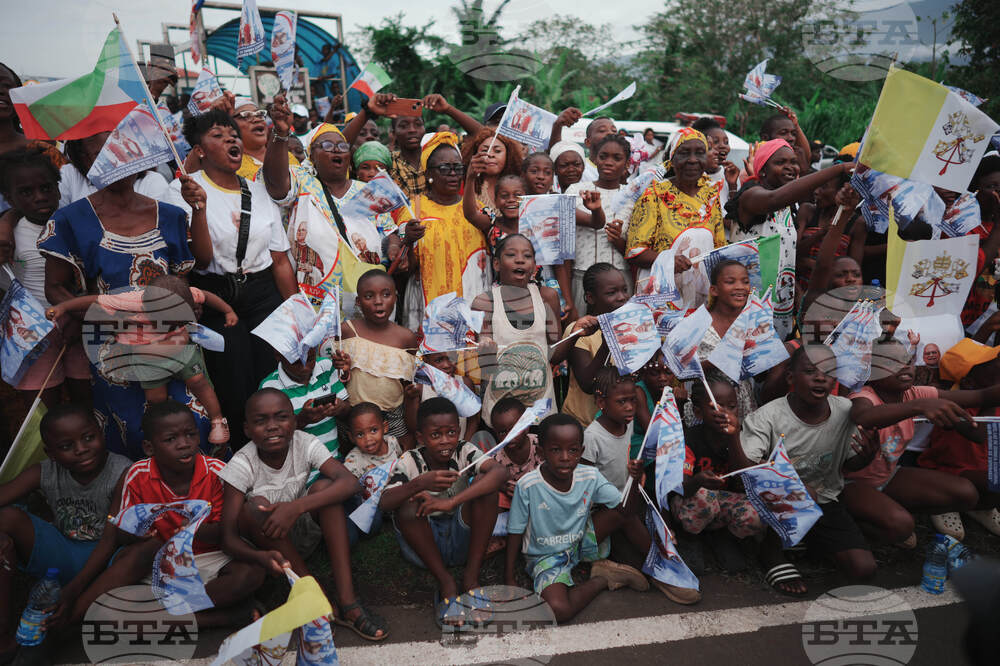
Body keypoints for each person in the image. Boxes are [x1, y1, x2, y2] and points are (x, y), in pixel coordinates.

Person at [40, 139, 214, 458]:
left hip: (173, 341)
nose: (114, 160)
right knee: (135, 430)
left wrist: (199, 209)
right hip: (114, 349)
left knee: (193, 425)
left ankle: (203, 502)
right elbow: (56, 287)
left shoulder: (170, 214)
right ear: (84, 164)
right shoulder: (70, 221)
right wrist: (110, 320)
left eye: (122, 150)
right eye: (99, 155)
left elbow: (197, 263)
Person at [50, 401, 266, 631]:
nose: (184, 444)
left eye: (190, 435)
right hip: (160, 565)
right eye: (170, 439)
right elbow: (116, 535)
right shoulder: (137, 475)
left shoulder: (216, 471)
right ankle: (222, 617)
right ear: (149, 447)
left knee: (251, 572)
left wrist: (196, 530)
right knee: (141, 555)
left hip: (212, 559)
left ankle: (156, 616)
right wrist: (136, 531)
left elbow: (229, 532)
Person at [166, 108, 297, 450]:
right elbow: (202, 259)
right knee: (233, 383)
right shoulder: (182, 191)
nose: (231, 140)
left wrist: (297, 313)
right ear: (200, 150)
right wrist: (199, 209)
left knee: (271, 380)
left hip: (262, 291)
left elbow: (280, 260)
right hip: (216, 295)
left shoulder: (259, 191)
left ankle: (279, 455)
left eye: (233, 135)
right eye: (218, 136)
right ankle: (242, 458)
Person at [218, 389, 388, 640]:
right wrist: (260, 556)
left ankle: (347, 601)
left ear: (294, 421)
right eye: (261, 420)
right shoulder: (242, 464)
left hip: (297, 527)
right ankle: (313, 595)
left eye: (281, 417)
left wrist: (296, 507)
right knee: (256, 508)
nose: (272, 427)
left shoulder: (304, 442)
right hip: (269, 548)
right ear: (247, 429)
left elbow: (350, 483)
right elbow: (228, 539)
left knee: (326, 489)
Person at [734, 344, 879, 596]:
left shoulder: (844, 410)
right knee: (806, 494)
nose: (821, 377)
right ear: (791, 377)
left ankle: (808, 539)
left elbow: (849, 463)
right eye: (810, 371)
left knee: (863, 569)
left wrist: (866, 457)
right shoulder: (767, 416)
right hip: (777, 502)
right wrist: (789, 486)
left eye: (828, 372)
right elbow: (745, 473)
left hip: (826, 500)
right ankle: (771, 550)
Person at [0, 404, 131, 658]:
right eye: (66, 446)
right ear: (51, 453)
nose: (81, 449)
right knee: (6, 518)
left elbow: (109, 540)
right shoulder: (46, 471)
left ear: (101, 433)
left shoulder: (122, 471)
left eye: (88, 438)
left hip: (106, 559)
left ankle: (70, 617)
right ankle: (3, 635)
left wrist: (71, 591)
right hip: (63, 553)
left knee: (140, 552)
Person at [46, 274, 237, 448]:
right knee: (155, 399)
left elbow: (207, 296)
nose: (170, 326)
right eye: (165, 323)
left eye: (178, 322)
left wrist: (228, 310)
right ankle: (158, 434)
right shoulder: (131, 301)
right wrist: (63, 307)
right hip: (148, 358)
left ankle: (218, 420)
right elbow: (92, 300)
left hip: (181, 350)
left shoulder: (185, 295)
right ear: (146, 308)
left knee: (199, 382)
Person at [505, 414, 652, 623]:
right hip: (547, 558)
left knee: (619, 512)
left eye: (572, 450)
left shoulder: (589, 475)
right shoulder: (528, 485)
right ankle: (602, 579)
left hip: (580, 541)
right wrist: (509, 577)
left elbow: (625, 511)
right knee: (558, 610)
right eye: (556, 450)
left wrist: (635, 479)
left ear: (581, 452)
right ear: (540, 452)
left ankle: (658, 565)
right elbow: (515, 531)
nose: (565, 457)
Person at [379, 397, 507, 628]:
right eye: (436, 435)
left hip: (462, 539)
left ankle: (471, 578)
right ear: (420, 438)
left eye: (451, 433)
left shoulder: (463, 451)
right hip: (426, 548)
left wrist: (453, 502)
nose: (445, 441)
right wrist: (418, 483)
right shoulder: (410, 460)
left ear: (459, 431)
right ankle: (446, 582)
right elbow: (385, 503)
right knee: (408, 505)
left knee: (485, 486)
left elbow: (499, 473)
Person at [844, 338, 985, 546]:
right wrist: (918, 407)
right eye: (891, 361)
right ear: (871, 371)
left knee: (966, 494)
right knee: (901, 527)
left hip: (887, 477)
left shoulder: (914, 393)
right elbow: (863, 416)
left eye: (907, 360)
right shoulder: (864, 396)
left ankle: (886, 514)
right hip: (850, 484)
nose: (904, 367)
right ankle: (853, 523)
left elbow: (980, 396)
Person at [727, 139, 854, 339]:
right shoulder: (751, 196)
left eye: (793, 162)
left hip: (780, 301)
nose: (790, 167)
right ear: (763, 170)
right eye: (780, 163)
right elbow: (773, 199)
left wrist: (794, 288)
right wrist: (838, 170)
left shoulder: (786, 207)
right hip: (748, 302)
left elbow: (783, 253)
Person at [0, 147, 89, 406]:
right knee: (42, 400)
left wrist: (77, 319)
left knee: (86, 392)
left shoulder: (75, 226)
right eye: (26, 192)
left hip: (77, 323)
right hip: (32, 331)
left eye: (46, 188)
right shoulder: (10, 235)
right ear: (10, 198)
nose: (39, 197)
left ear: (58, 189)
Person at [264, 100, 396, 267]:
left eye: (342, 146)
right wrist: (281, 133)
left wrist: (394, 245)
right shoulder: (301, 181)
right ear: (312, 157)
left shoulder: (368, 191)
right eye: (326, 145)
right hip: (318, 291)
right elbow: (275, 184)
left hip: (369, 287)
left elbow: (390, 232)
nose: (336, 149)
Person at [672, 375, 764, 571]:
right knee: (704, 498)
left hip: (721, 503)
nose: (725, 413)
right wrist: (698, 481)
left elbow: (744, 481)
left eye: (731, 406)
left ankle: (724, 538)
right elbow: (682, 488)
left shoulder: (740, 438)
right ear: (698, 412)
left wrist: (733, 439)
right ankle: (690, 539)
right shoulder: (690, 440)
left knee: (757, 511)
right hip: (691, 503)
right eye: (716, 406)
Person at [473, 234, 564, 427]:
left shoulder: (547, 297)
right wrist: (485, 349)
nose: (520, 260)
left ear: (534, 265)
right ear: (496, 264)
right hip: (501, 415)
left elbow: (555, 354)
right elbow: (484, 366)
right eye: (511, 255)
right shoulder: (485, 302)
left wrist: (576, 332)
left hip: (540, 412)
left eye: (527, 256)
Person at [401, 132, 490, 323]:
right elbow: (407, 268)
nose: (453, 174)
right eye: (444, 168)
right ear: (429, 173)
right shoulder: (413, 210)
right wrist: (407, 241)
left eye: (458, 168)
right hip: (430, 305)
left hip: (473, 304)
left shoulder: (477, 209)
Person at [919, 339, 1000, 539]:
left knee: (994, 481)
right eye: (993, 363)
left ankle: (981, 507)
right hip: (950, 471)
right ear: (969, 382)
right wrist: (991, 398)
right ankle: (946, 504)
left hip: (984, 468)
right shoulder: (951, 405)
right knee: (996, 479)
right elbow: (979, 434)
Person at [626, 128, 726, 277]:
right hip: (663, 291)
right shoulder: (654, 195)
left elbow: (719, 248)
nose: (692, 160)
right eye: (684, 153)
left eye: (699, 153)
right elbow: (634, 251)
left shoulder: (711, 194)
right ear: (672, 160)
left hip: (703, 291)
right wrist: (668, 261)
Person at [334, 270, 418, 449]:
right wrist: (343, 368)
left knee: (398, 459)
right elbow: (333, 372)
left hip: (392, 414)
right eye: (369, 296)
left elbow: (408, 382)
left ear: (395, 298)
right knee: (353, 461)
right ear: (358, 302)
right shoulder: (347, 331)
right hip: (354, 414)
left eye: (386, 295)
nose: (378, 301)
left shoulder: (406, 338)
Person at [564, 134, 634, 314]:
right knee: (582, 337)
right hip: (582, 277)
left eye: (617, 158)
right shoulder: (575, 191)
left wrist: (618, 240)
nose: (608, 162)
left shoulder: (634, 197)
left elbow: (637, 251)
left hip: (620, 282)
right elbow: (564, 247)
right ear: (594, 159)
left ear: (627, 163)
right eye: (603, 157)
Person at [563, 263, 627, 427]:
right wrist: (608, 344)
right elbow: (587, 383)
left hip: (618, 425)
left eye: (624, 290)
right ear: (590, 297)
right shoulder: (579, 332)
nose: (621, 297)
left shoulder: (629, 329)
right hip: (584, 424)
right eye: (612, 293)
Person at [259, 347, 350, 459]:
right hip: (299, 469)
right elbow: (270, 435)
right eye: (297, 363)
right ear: (278, 356)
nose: (305, 368)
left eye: (310, 359)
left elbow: (348, 411)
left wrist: (340, 407)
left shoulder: (325, 366)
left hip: (333, 458)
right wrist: (302, 420)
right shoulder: (270, 387)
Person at [342, 402, 403, 541]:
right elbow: (346, 485)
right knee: (372, 525)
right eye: (360, 434)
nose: (368, 439)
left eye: (374, 430)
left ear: (385, 427)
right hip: (374, 505)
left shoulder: (392, 442)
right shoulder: (354, 459)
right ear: (351, 437)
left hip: (397, 496)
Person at [58, 133, 169, 208]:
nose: (113, 161)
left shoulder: (153, 181)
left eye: (118, 152)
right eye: (100, 155)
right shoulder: (69, 175)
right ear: (84, 157)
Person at [582, 367, 637, 492]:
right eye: (622, 401)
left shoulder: (628, 424)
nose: (629, 407)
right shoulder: (592, 437)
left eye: (633, 400)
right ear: (601, 402)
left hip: (623, 496)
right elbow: (585, 481)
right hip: (601, 504)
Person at [405, 351, 480, 441]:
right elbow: (413, 427)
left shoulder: (465, 384)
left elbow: (473, 421)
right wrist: (410, 400)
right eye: (438, 360)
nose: (446, 365)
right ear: (426, 362)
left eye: (451, 359)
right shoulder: (420, 387)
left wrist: (464, 447)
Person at [491, 398, 543, 514]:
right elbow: (492, 480)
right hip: (512, 500)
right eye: (503, 432)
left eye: (515, 429)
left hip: (540, 496)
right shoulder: (496, 457)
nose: (509, 436)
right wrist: (504, 488)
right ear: (496, 432)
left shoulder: (540, 446)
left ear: (526, 426)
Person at [460, 128, 522, 215]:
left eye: (497, 151)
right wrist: (470, 178)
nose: (490, 155)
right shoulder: (465, 184)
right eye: (485, 150)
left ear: (509, 155)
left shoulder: (521, 184)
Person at [759, 108, 811, 173]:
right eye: (783, 133)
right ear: (765, 138)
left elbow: (806, 157)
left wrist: (796, 124)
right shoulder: (754, 164)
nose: (791, 138)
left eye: (793, 134)